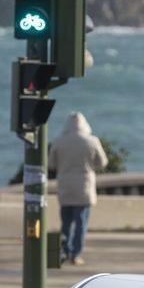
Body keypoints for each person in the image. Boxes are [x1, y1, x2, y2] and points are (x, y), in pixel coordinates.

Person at [48, 112, 107, 266]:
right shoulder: (92, 141)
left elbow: (51, 164)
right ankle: (76, 254)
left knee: (66, 223)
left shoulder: (59, 141)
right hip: (84, 186)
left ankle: (64, 252)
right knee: (81, 222)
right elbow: (102, 163)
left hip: (65, 186)